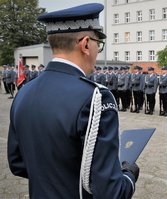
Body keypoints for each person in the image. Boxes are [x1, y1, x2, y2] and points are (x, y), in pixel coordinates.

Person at [7, 3, 139, 199]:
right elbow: (111, 193)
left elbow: (17, 164)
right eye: (98, 43)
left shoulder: (25, 91)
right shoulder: (95, 97)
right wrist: (129, 175)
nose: (97, 50)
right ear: (86, 44)